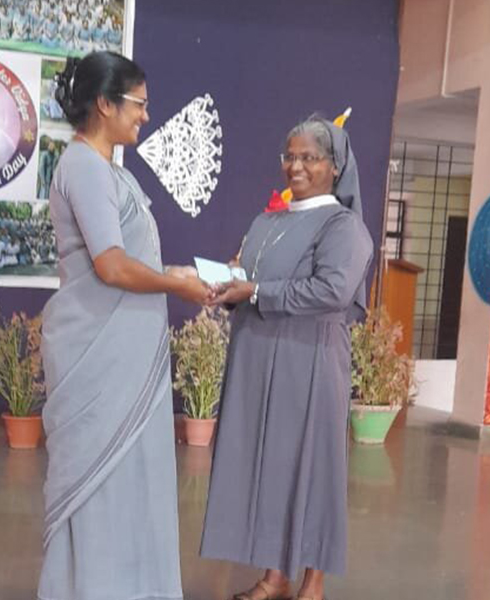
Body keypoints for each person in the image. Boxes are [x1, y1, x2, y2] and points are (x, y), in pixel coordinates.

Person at [38, 51, 210, 600]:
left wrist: (173, 274)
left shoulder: (108, 168)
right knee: (104, 481)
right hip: (100, 353)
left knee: (131, 477)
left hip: (125, 354)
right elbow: (111, 267)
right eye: (138, 104)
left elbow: (127, 258)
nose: (145, 116)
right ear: (105, 104)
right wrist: (175, 285)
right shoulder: (85, 166)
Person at [200, 117, 374, 600]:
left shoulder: (343, 227)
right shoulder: (267, 221)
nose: (296, 166)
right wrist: (228, 285)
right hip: (257, 357)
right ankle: (274, 576)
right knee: (270, 467)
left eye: (308, 158)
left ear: (335, 167)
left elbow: (331, 291)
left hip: (309, 360)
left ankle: (312, 583)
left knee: (312, 469)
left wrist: (256, 291)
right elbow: (250, 278)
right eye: (289, 157)